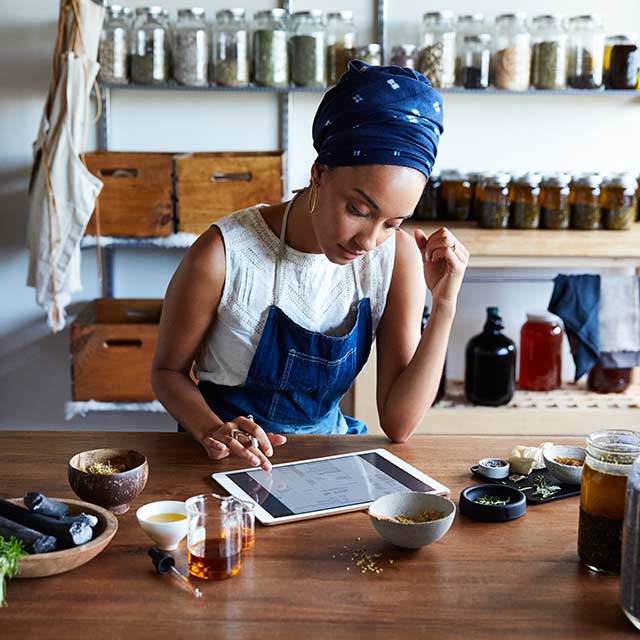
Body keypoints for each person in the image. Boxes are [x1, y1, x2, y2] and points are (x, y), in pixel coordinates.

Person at [151, 61, 469, 472]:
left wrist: (444, 305)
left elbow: (399, 423)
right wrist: (213, 429)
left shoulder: (397, 257)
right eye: (358, 209)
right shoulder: (223, 254)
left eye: (393, 223)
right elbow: (166, 372)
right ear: (319, 173)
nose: (369, 241)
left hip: (326, 461)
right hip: (221, 461)